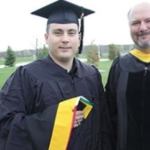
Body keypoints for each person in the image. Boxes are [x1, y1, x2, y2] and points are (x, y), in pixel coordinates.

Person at [0, 0, 106, 150]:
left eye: (71, 32)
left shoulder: (92, 75)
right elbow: (6, 125)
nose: (65, 39)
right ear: (46, 37)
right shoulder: (27, 76)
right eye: (58, 32)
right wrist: (54, 119)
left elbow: (104, 125)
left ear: (79, 38)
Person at [105, 2, 150, 150]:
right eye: (136, 23)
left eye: (148, 21)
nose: (142, 28)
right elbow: (109, 117)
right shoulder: (120, 66)